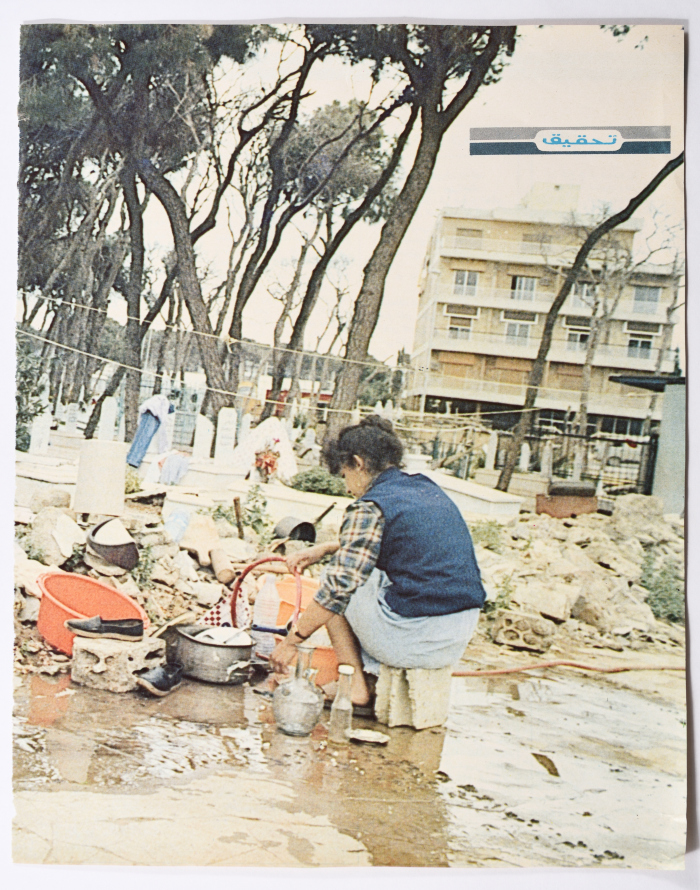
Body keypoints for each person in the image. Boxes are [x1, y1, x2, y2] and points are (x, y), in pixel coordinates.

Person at [269, 415, 487, 709]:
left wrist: (290, 643)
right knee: (359, 574)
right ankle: (362, 675)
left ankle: (353, 686)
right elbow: (399, 544)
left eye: (344, 476)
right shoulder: (423, 488)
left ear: (358, 464)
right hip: (457, 635)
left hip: (416, 641)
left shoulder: (369, 505)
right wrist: (325, 548)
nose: (347, 488)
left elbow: (338, 588)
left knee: (335, 589)